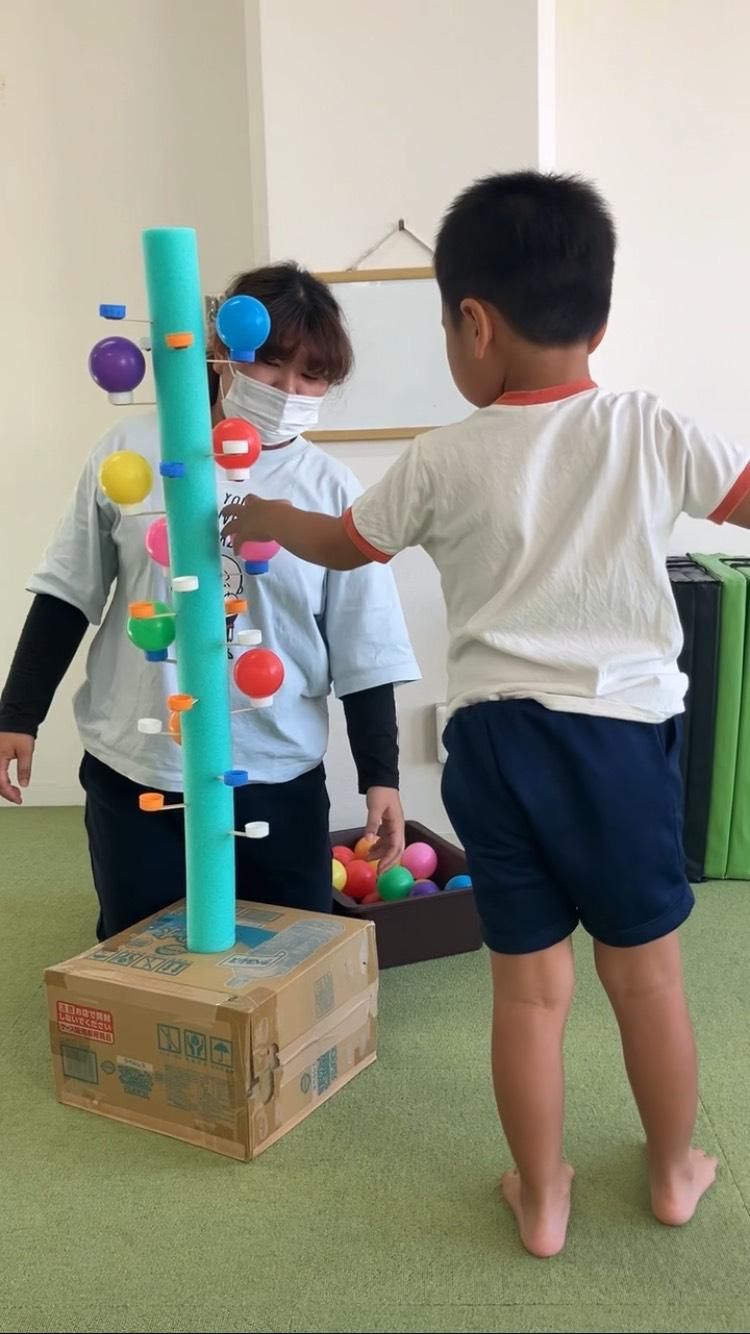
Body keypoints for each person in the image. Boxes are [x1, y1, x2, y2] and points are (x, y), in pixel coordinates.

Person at [222, 172, 750, 1258]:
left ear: (474, 323)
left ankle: (543, 1198)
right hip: (618, 740)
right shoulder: (648, 426)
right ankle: (672, 1173)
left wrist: (262, 512)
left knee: (530, 990)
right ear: (599, 316)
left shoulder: (441, 456)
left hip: (495, 744)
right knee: (645, 973)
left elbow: (342, 546)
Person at [0, 263, 419, 939]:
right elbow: (68, 590)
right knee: (141, 950)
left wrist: (382, 776)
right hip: (140, 764)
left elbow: (363, 644)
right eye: (271, 362)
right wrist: (18, 713)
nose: (288, 390)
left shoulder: (330, 488)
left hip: (274, 767)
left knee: (290, 952)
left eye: (312, 375)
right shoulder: (130, 451)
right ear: (223, 349)